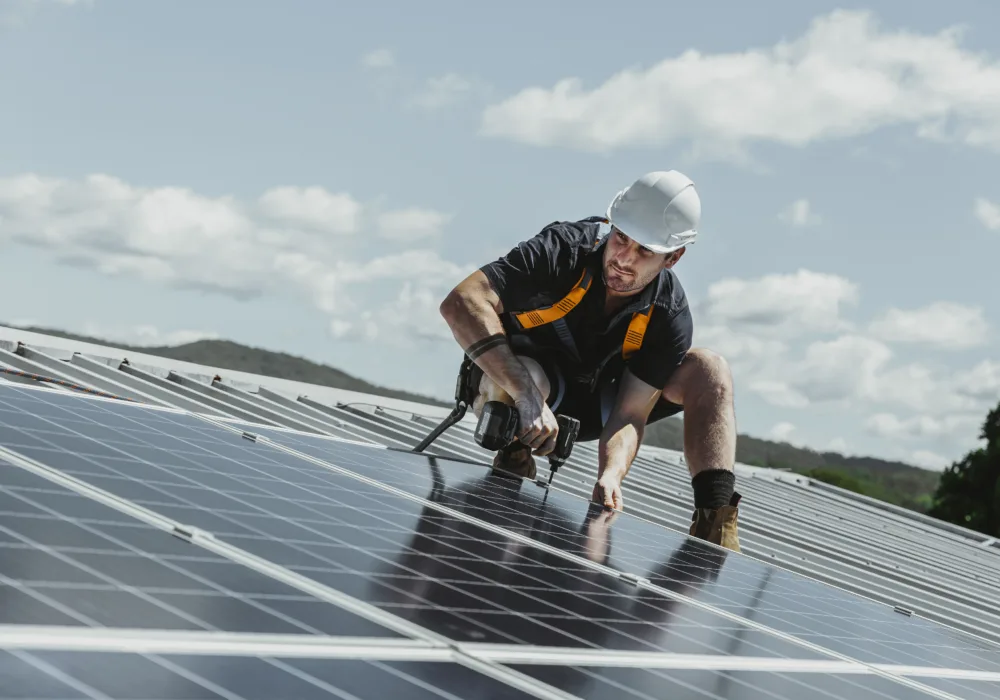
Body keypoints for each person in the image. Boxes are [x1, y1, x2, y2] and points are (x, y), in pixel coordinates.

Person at [438, 170, 741, 552]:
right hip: (522, 391)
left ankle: (715, 528)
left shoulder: (668, 314)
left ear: (674, 257)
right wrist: (527, 395)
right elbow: (462, 302)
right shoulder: (563, 249)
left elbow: (630, 415)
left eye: (644, 251)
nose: (623, 260)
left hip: (597, 407)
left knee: (710, 369)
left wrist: (612, 475)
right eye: (621, 239)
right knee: (530, 377)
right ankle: (514, 455)